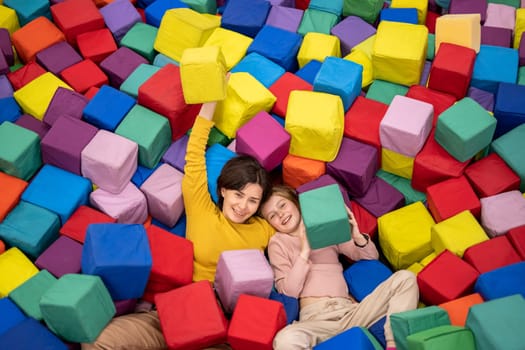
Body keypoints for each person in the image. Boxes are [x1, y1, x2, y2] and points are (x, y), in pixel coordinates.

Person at [82, 101, 275, 350]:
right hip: (173, 311)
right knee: (99, 342)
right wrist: (211, 101)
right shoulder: (202, 207)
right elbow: (194, 152)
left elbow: (296, 224)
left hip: (217, 325)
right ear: (224, 190)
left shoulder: (263, 230)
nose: (243, 206)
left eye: (253, 201)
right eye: (239, 195)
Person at [260, 185, 419, 350]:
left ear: (296, 203)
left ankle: (393, 344)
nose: (280, 214)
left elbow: (370, 257)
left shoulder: (323, 225)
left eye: (282, 205)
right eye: (272, 216)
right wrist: (304, 251)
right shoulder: (277, 243)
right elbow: (288, 291)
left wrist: (356, 235)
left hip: (350, 312)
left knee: (406, 278)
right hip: (315, 320)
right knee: (284, 340)